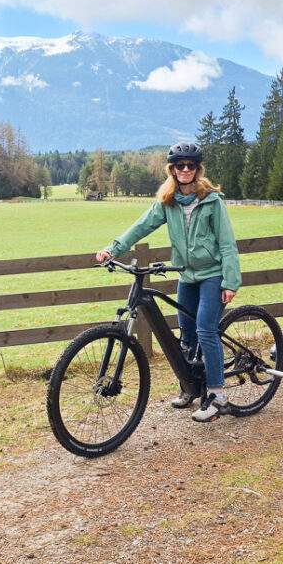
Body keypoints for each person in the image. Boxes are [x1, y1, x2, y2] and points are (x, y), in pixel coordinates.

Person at [96, 142, 241, 422]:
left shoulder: (212, 200)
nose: (185, 170)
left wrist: (230, 282)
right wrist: (113, 249)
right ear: (172, 170)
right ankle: (189, 387)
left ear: (197, 170)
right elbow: (141, 225)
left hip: (213, 274)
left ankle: (217, 396)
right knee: (186, 333)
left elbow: (227, 243)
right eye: (179, 166)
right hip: (186, 274)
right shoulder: (168, 201)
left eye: (190, 166)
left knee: (205, 330)